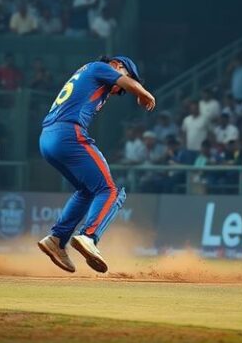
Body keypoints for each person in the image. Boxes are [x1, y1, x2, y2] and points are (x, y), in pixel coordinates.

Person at [36, 55, 155, 274]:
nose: (118, 91)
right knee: (110, 190)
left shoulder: (88, 74)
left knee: (87, 190)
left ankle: (57, 239)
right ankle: (89, 236)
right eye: (125, 81)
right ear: (117, 66)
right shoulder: (100, 67)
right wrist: (143, 93)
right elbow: (125, 82)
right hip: (68, 133)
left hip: (47, 138)